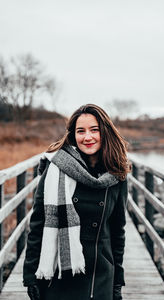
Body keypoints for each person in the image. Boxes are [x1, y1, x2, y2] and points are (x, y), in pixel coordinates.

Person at [23, 103, 129, 300]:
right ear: (73, 135)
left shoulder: (117, 175)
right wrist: (30, 276)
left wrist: (117, 282)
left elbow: (117, 232)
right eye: (81, 131)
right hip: (60, 274)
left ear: (105, 132)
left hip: (100, 277)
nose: (87, 137)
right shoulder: (56, 170)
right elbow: (38, 224)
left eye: (94, 130)